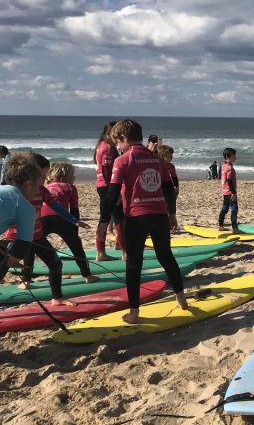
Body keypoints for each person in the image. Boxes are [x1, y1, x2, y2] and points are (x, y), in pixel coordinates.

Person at [97, 119, 187, 324]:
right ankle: (182, 299)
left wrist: (103, 223)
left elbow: (111, 195)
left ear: (124, 139)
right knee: (166, 256)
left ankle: (134, 312)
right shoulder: (158, 160)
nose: (117, 148)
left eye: (118, 144)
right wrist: (172, 214)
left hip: (136, 218)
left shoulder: (123, 160)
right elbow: (168, 190)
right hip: (159, 216)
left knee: (134, 263)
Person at [4, 154, 88, 305]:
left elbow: (55, 206)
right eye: (42, 177)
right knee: (10, 264)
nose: (44, 181)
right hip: (16, 238)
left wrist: (73, 220)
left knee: (56, 264)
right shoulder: (17, 200)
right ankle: (26, 279)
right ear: (30, 180)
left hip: (36, 236)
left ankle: (57, 298)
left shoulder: (39, 192)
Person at [41, 162, 99, 284]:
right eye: (72, 174)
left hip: (42, 218)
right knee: (76, 248)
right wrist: (75, 233)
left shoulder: (45, 187)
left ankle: (26, 280)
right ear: (64, 175)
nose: (74, 177)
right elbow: (74, 211)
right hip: (62, 218)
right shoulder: (70, 188)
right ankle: (87, 275)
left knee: (32, 244)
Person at [0, 154, 42, 285]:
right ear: (29, 184)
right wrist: (11, 259)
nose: (37, 192)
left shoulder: (2, 190)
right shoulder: (26, 207)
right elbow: (23, 246)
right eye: (38, 187)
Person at [94, 121, 124, 260]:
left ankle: (111, 248)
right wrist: (114, 192)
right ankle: (124, 251)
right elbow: (107, 171)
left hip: (103, 187)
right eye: (115, 133)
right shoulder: (107, 148)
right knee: (118, 219)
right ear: (108, 133)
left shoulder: (101, 146)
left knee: (106, 218)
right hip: (108, 187)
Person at [218, 147, 239, 232]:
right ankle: (235, 229)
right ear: (228, 156)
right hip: (230, 192)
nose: (235, 157)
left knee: (224, 209)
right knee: (234, 209)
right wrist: (234, 193)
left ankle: (221, 226)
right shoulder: (229, 168)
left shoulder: (223, 166)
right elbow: (230, 181)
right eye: (234, 156)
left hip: (225, 192)